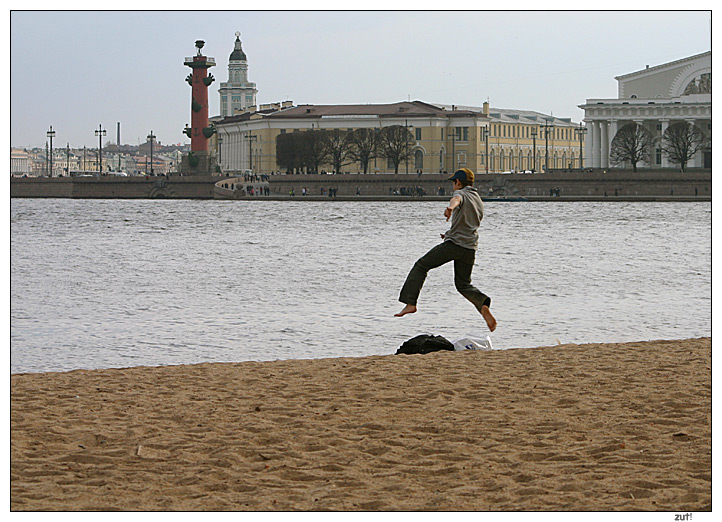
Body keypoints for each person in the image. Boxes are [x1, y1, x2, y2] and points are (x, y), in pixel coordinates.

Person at [395, 168, 496, 332]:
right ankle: (482, 304)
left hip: (454, 245)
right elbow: (467, 223)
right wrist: (449, 233)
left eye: (454, 183)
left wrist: (450, 208)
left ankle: (410, 303)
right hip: (470, 247)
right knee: (463, 284)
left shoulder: (461, 194)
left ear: (458, 182)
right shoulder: (478, 198)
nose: (453, 186)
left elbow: (456, 199)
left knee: (421, 265)